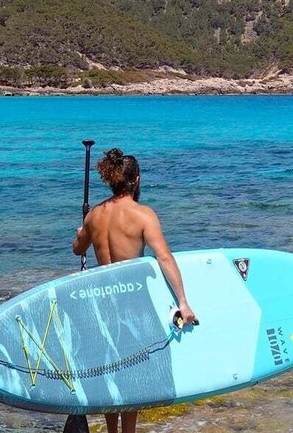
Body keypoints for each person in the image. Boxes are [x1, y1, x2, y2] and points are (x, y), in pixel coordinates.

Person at [73, 148, 197, 433]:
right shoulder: (143, 215)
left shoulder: (94, 215)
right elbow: (164, 257)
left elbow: (78, 248)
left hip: (102, 305)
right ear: (136, 180)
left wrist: (80, 232)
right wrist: (183, 302)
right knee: (133, 374)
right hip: (133, 306)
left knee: (110, 370)